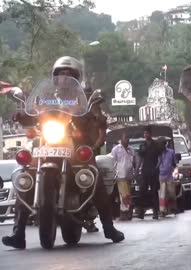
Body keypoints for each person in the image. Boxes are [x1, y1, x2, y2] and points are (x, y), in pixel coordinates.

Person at [2, 56, 124, 249]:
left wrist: (95, 117)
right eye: (61, 73)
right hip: (47, 144)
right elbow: (33, 112)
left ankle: (108, 227)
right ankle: (18, 232)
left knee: (93, 173)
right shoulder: (46, 97)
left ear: (76, 77)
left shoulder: (83, 98)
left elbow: (95, 116)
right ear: (55, 77)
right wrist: (22, 115)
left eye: (69, 74)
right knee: (26, 178)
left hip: (74, 144)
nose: (65, 77)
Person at [137, 126, 161, 219]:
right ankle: (141, 212)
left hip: (154, 172)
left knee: (154, 192)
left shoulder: (156, 145)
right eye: (144, 133)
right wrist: (137, 170)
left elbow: (160, 158)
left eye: (147, 133)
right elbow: (140, 159)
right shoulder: (142, 146)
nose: (145, 135)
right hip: (145, 171)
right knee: (142, 191)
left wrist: (157, 167)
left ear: (150, 134)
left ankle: (155, 212)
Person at [111, 133, 136, 220]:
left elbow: (134, 161)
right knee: (124, 194)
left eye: (128, 138)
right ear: (121, 139)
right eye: (125, 138)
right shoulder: (116, 149)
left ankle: (128, 211)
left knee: (128, 194)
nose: (127, 139)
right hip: (120, 175)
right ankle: (124, 212)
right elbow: (112, 162)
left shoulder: (131, 149)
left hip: (129, 176)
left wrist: (135, 172)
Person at [157, 138, 177, 217]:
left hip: (169, 175)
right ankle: (163, 211)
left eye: (162, 144)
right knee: (162, 194)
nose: (160, 146)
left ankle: (173, 208)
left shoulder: (171, 152)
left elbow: (174, 163)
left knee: (171, 192)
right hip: (161, 175)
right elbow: (157, 164)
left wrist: (173, 169)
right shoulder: (158, 153)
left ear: (165, 144)